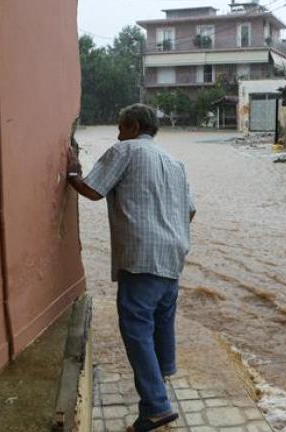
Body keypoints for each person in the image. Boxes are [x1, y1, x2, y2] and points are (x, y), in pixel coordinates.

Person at [66, 104, 195, 432]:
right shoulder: (176, 163)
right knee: (162, 322)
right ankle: (162, 377)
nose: (117, 134)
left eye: (121, 127)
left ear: (134, 126)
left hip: (141, 257)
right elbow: (190, 211)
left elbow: (93, 190)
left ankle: (156, 406)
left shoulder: (125, 150)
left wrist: (72, 173)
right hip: (173, 255)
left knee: (136, 327)